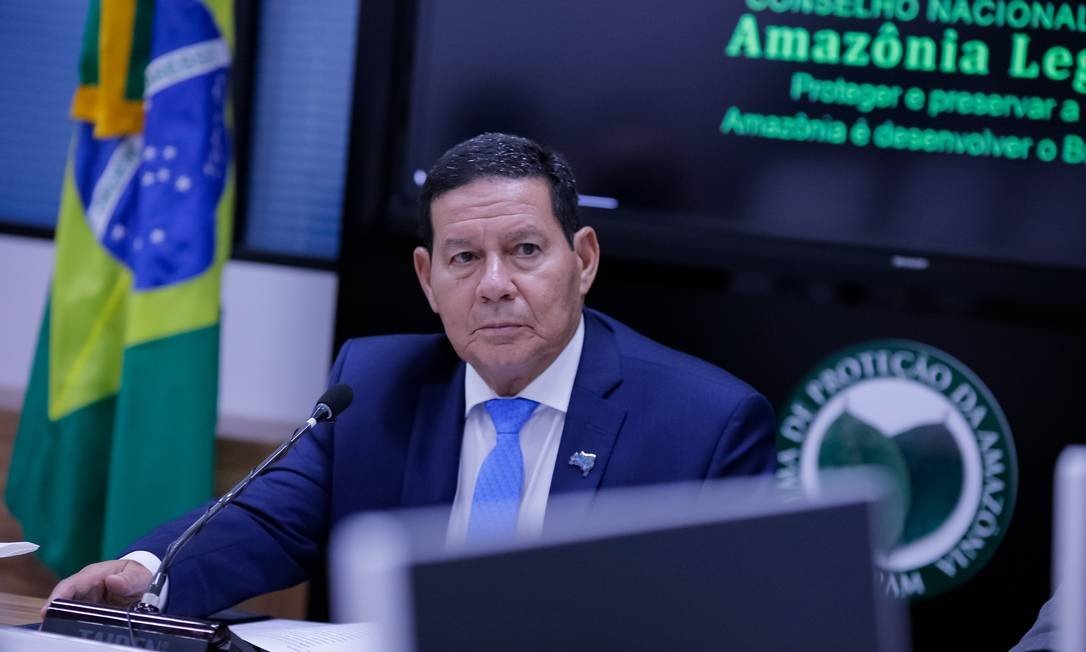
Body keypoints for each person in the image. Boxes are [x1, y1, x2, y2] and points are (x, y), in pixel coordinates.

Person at [46, 132, 776, 617]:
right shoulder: (374, 385)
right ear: (428, 278)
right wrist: (147, 573)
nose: (495, 285)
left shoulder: (704, 426)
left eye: (525, 251)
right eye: (465, 258)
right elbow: (266, 519)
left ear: (583, 260)